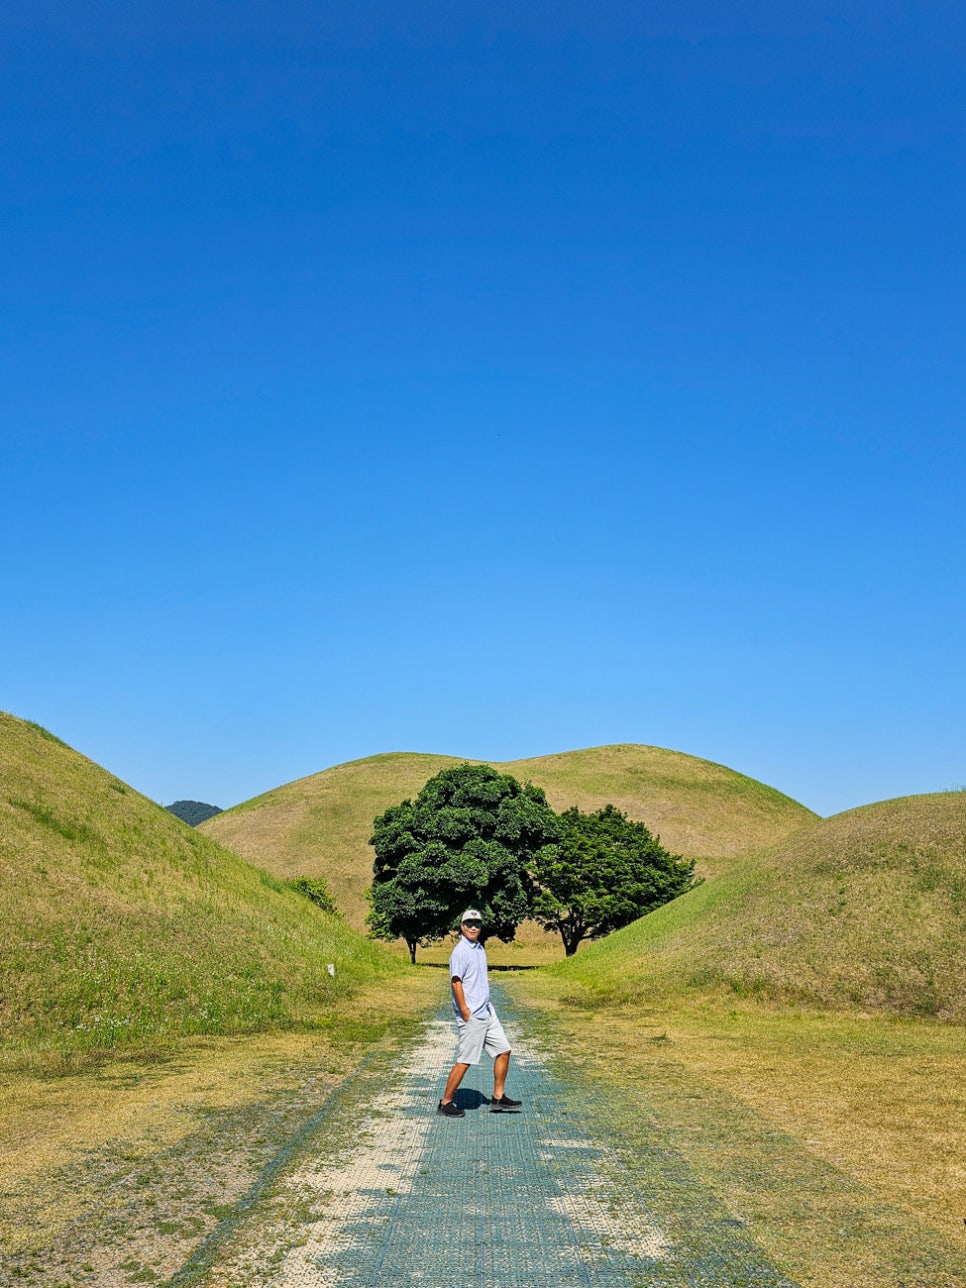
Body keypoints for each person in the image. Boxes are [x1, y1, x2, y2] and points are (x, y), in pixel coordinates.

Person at [437, 909, 522, 1118]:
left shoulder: (478, 948)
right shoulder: (460, 952)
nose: (473, 927)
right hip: (472, 1015)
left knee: (504, 1050)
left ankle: (498, 1098)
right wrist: (465, 1010)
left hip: (487, 1012)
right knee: (465, 1060)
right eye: (469, 924)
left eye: (477, 924)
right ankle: (445, 1102)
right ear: (462, 926)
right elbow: (456, 982)